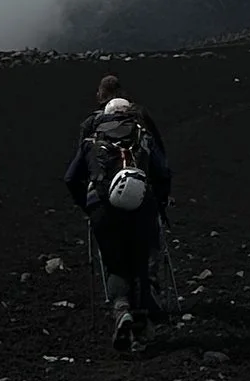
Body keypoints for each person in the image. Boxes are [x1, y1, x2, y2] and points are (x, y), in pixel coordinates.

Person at [63, 73, 173, 354]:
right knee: (140, 261)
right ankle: (142, 323)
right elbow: (164, 172)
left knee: (114, 262)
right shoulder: (141, 134)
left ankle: (121, 310)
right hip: (141, 202)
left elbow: (70, 178)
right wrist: (159, 203)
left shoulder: (92, 136)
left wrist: (86, 206)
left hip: (101, 205)